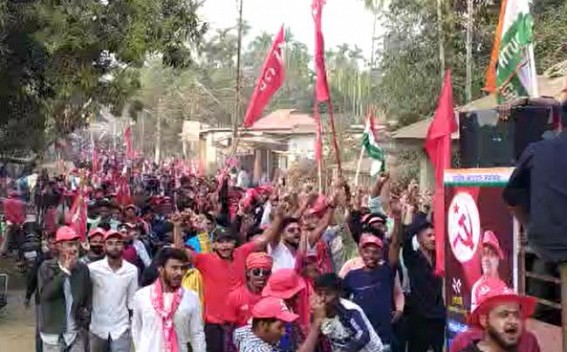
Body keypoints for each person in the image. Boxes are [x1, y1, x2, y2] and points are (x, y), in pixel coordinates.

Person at [173, 210, 280, 352]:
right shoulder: (205, 260)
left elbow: (264, 240)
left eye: (228, 241)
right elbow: (180, 252)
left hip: (242, 325)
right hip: (214, 327)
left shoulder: (241, 253)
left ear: (234, 243)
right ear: (214, 245)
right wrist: (177, 227)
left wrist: (279, 217)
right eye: (220, 242)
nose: (224, 246)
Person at [131, 247, 206, 352]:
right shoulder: (142, 296)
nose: (179, 273)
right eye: (174, 268)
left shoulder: (191, 297)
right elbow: (137, 328)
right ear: (160, 269)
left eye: (182, 268)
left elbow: (197, 334)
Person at [38, 226, 92, 352]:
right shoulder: (46, 267)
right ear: (59, 246)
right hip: (53, 335)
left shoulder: (82, 269)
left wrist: (86, 316)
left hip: (75, 333)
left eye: (76, 244)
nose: (74, 248)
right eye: (70, 244)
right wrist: (65, 271)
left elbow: (88, 297)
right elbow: (46, 295)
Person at [88, 229, 138, 352]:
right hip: (97, 327)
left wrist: (133, 326)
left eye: (118, 243)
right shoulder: (92, 269)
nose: (114, 246)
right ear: (104, 246)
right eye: (110, 243)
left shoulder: (131, 270)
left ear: (123, 246)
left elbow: (131, 301)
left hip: (121, 327)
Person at [453, 281, 537, 352]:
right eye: (504, 315)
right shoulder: (463, 342)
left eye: (517, 315)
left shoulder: (529, 344)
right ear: (484, 320)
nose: (513, 321)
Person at [403, 219, 445, 352]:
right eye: (429, 235)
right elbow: (407, 235)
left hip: (438, 317)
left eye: (435, 235)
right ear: (419, 237)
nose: (433, 239)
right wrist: (421, 213)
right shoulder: (412, 258)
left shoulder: (439, 259)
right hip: (419, 318)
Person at [315, 273, 384, 352]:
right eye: (319, 294)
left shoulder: (349, 310)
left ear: (338, 293)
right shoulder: (319, 313)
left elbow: (364, 335)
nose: (323, 299)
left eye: (328, 294)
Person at [232, 296, 323, 352]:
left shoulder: (242, 331)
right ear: (262, 325)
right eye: (279, 327)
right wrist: (316, 324)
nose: (283, 332)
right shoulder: (258, 350)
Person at [226, 252, 274, 327]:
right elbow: (228, 327)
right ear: (248, 272)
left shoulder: (274, 296)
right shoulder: (235, 296)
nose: (261, 276)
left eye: (265, 272)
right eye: (256, 272)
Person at [470, 231, 506, 311]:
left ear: (498, 259)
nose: (486, 259)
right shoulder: (477, 288)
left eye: (491, 254)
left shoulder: (504, 288)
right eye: (484, 254)